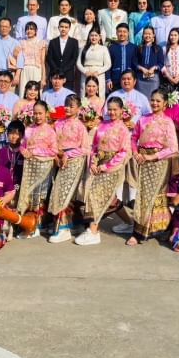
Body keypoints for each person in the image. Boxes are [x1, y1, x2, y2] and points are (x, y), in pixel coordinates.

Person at [74, 97, 130, 246]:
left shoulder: (123, 129)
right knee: (110, 199)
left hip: (113, 167)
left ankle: (93, 231)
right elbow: (94, 146)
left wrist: (106, 166)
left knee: (96, 195)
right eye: (109, 109)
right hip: (98, 164)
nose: (112, 112)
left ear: (121, 111)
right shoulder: (102, 125)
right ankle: (129, 222)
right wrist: (93, 162)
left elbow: (123, 152)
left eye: (115, 109)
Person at [126, 89, 179, 246]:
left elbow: (173, 148)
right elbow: (133, 138)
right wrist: (135, 153)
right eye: (153, 100)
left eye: (158, 101)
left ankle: (140, 232)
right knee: (142, 195)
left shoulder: (167, 122)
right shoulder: (143, 119)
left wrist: (153, 156)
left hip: (158, 163)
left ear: (164, 103)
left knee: (152, 196)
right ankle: (148, 228)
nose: (154, 103)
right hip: (142, 161)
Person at [48, 94, 90, 243]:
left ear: (78, 108)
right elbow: (51, 142)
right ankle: (65, 225)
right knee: (57, 192)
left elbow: (85, 148)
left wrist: (68, 154)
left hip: (74, 162)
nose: (67, 108)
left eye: (71, 106)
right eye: (66, 105)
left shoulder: (80, 126)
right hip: (58, 161)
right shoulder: (58, 123)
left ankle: (63, 229)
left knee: (64, 193)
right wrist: (56, 156)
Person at [16, 101, 58, 238]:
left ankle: (38, 225)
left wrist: (35, 151)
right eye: (35, 113)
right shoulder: (28, 129)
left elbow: (54, 151)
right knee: (28, 194)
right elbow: (22, 145)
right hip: (29, 168)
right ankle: (29, 223)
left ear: (46, 114)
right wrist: (23, 150)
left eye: (40, 113)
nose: (38, 116)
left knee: (41, 196)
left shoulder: (50, 131)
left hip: (44, 168)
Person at [77, 29, 111, 99]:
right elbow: (78, 63)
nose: (94, 37)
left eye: (96, 35)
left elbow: (108, 64)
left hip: (99, 74)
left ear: (99, 37)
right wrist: (85, 71)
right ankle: (84, 106)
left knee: (100, 92)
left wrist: (98, 72)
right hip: (86, 73)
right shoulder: (83, 48)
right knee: (84, 92)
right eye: (92, 35)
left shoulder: (103, 48)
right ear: (89, 36)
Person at [45, 17, 78, 89]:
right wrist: (57, 70)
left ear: (69, 28)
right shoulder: (52, 42)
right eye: (62, 26)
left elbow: (74, 59)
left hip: (68, 76)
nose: (63, 29)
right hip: (54, 75)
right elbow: (49, 58)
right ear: (58, 27)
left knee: (68, 95)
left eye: (66, 27)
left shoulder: (74, 42)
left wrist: (63, 70)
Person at [134, 26, 165, 100]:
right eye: (145, 34)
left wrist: (154, 68)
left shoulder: (158, 48)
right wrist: (142, 68)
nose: (147, 36)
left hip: (153, 78)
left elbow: (161, 63)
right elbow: (134, 62)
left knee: (153, 99)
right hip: (140, 79)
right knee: (140, 99)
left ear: (153, 35)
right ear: (143, 35)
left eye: (149, 34)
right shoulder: (138, 48)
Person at [15, 21, 46, 93]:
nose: (29, 31)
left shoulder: (41, 42)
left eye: (31, 29)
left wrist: (43, 78)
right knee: (23, 92)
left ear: (36, 31)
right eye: (27, 29)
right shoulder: (21, 43)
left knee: (36, 92)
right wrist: (17, 75)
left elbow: (43, 62)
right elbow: (18, 59)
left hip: (37, 70)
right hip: (24, 70)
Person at [0, 121, 25, 201]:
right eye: (11, 133)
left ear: (22, 135)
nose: (14, 136)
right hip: (4, 186)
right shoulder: (2, 152)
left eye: (17, 134)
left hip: (20, 185)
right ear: (7, 134)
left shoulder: (24, 152)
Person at [107, 23, 137, 91]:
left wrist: (135, 79)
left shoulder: (133, 47)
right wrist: (108, 79)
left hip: (129, 80)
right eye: (120, 31)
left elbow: (135, 64)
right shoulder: (111, 48)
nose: (122, 34)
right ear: (116, 33)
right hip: (115, 80)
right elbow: (108, 65)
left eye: (124, 32)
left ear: (128, 33)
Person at [162, 27, 179, 97]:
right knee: (168, 98)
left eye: (175, 35)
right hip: (168, 78)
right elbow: (162, 64)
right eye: (171, 35)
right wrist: (169, 77)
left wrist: (178, 77)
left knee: (178, 98)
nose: (173, 37)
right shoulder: (164, 48)